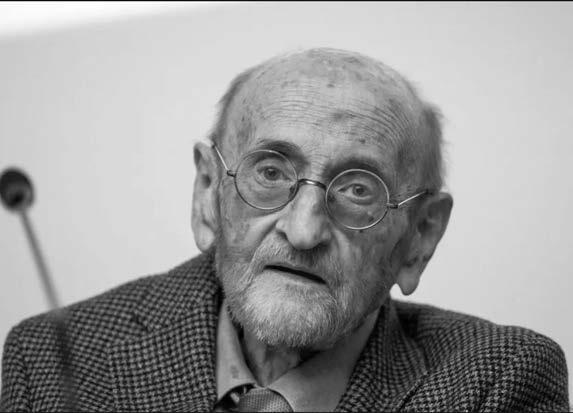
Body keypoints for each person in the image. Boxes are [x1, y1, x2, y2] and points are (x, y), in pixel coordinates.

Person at [1, 48, 569, 412]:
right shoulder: (50, 361)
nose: (303, 232)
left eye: (357, 190)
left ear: (420, 237)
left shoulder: (497, 382)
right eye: (271, 173)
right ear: (207, 191)